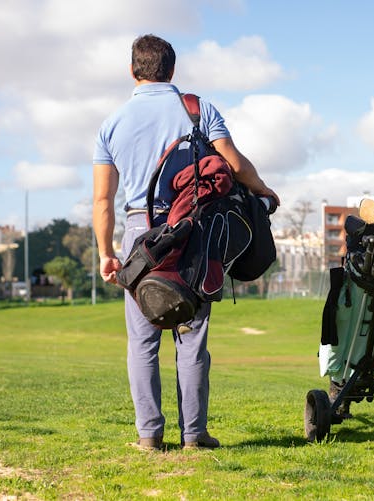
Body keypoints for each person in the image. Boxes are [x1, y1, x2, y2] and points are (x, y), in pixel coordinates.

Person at [92, 34, 279, 451]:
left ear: (132, 71)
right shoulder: (198, 110)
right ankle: (194, 435)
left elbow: (103, 198)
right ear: (172, 71)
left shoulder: (112, 123)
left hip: (140, 235)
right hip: (191, 230)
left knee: (142, 341)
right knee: (191, 335)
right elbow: (233, 162)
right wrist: (264, 189)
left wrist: (107, 253)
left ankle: (149, 436)